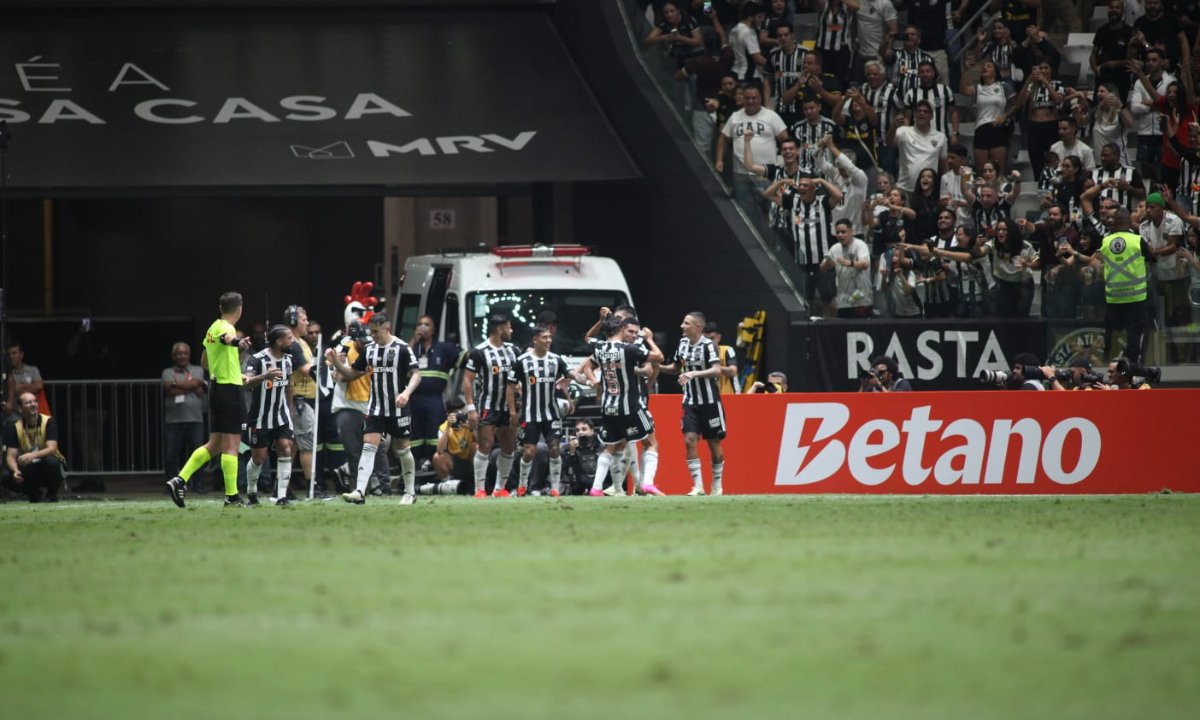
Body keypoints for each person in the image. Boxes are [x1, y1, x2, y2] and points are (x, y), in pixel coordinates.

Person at [324, 311, 422, 505]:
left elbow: (416, 374)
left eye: (376, 332)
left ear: (387, 329)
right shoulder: (369, 349)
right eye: (371, 332)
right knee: (368, 446)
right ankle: (360, 491)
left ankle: (410, 492)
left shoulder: (402, 348)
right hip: (375, 408)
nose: (373, 336)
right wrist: (336, 362)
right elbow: (352, 374)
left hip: (397, 408)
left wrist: (406, 393)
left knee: (402, 448)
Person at [167, 291, 254, 508]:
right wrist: (238, 343)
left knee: (214, 444)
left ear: (220, 308)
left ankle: (179, 479)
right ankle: (232, 497)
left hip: (217, 387)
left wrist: (233, 371)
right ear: (240, 309)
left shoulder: (212, 327)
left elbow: (205, 361)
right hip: (229, 391)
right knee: (232, 445)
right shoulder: (227, 328)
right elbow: (228, 339)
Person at [578, 317, 667, 497]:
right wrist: (649, 340)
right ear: (621, 329)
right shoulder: (629, 349)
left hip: (608, 407)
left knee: (610, 447)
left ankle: (596, 488)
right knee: (651, 443)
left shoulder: (600, 347)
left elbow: (588, 337)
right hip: (630, 406)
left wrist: (600, 320)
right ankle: (647, 483)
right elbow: (660, 357)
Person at [659, 312, 727, 497]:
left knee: (713, 443)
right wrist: (658, 368)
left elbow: (716, 370)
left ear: (697, 327)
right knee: (689, 440)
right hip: (690, 402)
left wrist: (693, 374)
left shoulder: (708, 345)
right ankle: (698, 486)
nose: (682, 325)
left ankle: (717, 485)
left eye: (686, 323)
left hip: (710, 402)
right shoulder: (682, 344)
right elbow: (675, 367)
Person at [506, 325, 577, 497]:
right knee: (529, 452)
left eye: (550, 337)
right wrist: (513, 412)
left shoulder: (555, 359)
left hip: (551, 413)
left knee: (554, 448)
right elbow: (510, 387)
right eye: (545, 337)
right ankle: (523, 485)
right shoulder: (522, 361)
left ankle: (554, 487)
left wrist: (571, 395)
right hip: (530, 414)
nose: (548, 340)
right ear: (535, 339)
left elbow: (567, 377)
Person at [1075, 207, 1151, 362]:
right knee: (1134, 332)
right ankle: (1131, 365)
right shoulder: (1137, 240)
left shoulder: (1106, 241)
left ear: (1114, 223)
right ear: (1129, 222)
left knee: (1111, 332)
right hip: (1135, 296)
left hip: (1114, 297)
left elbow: (1096, 262)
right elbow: (1150, 258)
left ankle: (1108, 360)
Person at [461, 314, 519, 498]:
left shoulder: (514, 350)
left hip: (508, 406)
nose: (511, 331)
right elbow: (467, 381)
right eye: (508, 327)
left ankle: (499, 488)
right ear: (499, 329)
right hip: (488, 405)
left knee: (508, 447)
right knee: (485, 445)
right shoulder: (479, 351)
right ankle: (479, 489)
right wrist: (471, 408)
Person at [329, 320, 389, 495]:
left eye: (368, 340)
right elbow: (339, 376)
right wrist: (340, 364)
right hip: (347, 407)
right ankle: (361, 489)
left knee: (379, 450)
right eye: (361, 341)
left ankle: (385, 488)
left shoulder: (377, 348)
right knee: (354, 451)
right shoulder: (344, 350)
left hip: (372, 406)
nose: (365, 344)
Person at [243, 325, 297, 507]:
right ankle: (251, 492)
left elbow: (289, 386)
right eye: (289, 338)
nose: (293, 341)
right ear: (279, 341)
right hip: (260, 417)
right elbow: (246, 382)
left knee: (285, 447)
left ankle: (281, 496)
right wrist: (265, 376)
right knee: (259, 458)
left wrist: (290, 409)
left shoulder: (289, 360)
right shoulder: (257, 359)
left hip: (281, 415)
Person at [408, 314, 464, 472]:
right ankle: (415, 470)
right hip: (414, 401)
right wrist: (413, 342)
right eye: (419, 324)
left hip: (435, 400)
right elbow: (400, 361)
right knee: (414, 438)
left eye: (427, 324)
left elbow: (467, 358)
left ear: (433, 330)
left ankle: (435, 469)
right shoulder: (411, 349)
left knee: (435, 436)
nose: (423, 327)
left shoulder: (443, 349)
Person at [281, 305, 317, 497]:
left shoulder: (300, 342)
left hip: (301, 399)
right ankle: (312, 487)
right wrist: (327, 367)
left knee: (292, 446)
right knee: (306, 444)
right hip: (299, 400)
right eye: (304, 319)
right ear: (294, 322)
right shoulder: (293, 343)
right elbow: (305, 369)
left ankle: (282, 487)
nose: (307, 323)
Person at [3, 392, 66, 502]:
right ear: (20, 408)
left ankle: (52, 494)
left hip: (49, 465)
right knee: (5, 475)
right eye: (28, 402)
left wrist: (32, 455)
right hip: (31, 466)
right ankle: (34, 493)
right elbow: (10, 456)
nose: (33, 404)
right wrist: (15, 471)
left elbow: (52, 449)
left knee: (52, 462)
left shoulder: (48, 422)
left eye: (34, 401)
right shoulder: (14, 427)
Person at [161, 342, 207, 490]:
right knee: (171, 455)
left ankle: (198, 484)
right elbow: (168, 388)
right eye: (179, 353)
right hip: (173, 420)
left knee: (198, 454)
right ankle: (173, 485)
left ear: (189, 354)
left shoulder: (198, 369)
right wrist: (191, 386)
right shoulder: (167, 372)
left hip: (195, 419)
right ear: (174, 356)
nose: (182, 356)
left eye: (185, 353)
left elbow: (196, 383)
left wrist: (176, 385)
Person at [419, 398, 478, 496]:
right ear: (448, 414)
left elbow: (481, 444)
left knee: (477, 446)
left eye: (461, 412)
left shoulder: (469, 424)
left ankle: (477, 483)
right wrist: (448, 427)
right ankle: (448, 485)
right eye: (456, 413)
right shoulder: (443, 427)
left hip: (470, 462)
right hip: (454, 463)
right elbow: (440, 450)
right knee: (438, 457)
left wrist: (472, 428)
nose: (459, 415)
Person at [889, 99, 948, 191]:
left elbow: (944, 166)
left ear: (931, 116)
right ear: (915, 115)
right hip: (904, 188)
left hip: (928, 191)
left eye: (925, 111)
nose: (922, 113)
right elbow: (890, 143)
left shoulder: (940, 137)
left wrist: (945, 188)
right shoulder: (904, 131)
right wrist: (893, 126)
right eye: (919, 111)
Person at [820, 219, 874, 317]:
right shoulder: (835, 248)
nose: (840, 235)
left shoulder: (860, 245)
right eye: (838, 232)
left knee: (860, 330)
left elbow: (865, 264)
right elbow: (822, 268)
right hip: (844, 301)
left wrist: (850, 263)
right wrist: (828, 263)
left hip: (861, 299)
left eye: (843, 232)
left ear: (851, 232)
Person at [4, 342, 50, 421]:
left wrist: (18, 388)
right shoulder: (5, 373)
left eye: (14, 353)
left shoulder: (33, 370)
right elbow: (12, 389)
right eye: (8, 354)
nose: (11, 356)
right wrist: (30, 386)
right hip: (14, 416)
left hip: (33, 415)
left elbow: (39, 385)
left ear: (21, 355)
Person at [703, 321, 741, 394]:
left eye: (712, 338)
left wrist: (715, 369)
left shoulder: (728, 350)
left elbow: (733, 371)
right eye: (706, 340)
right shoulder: (699, 355)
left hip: (730, 396)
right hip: (710, 399)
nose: (709, 343)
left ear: (719, 338)